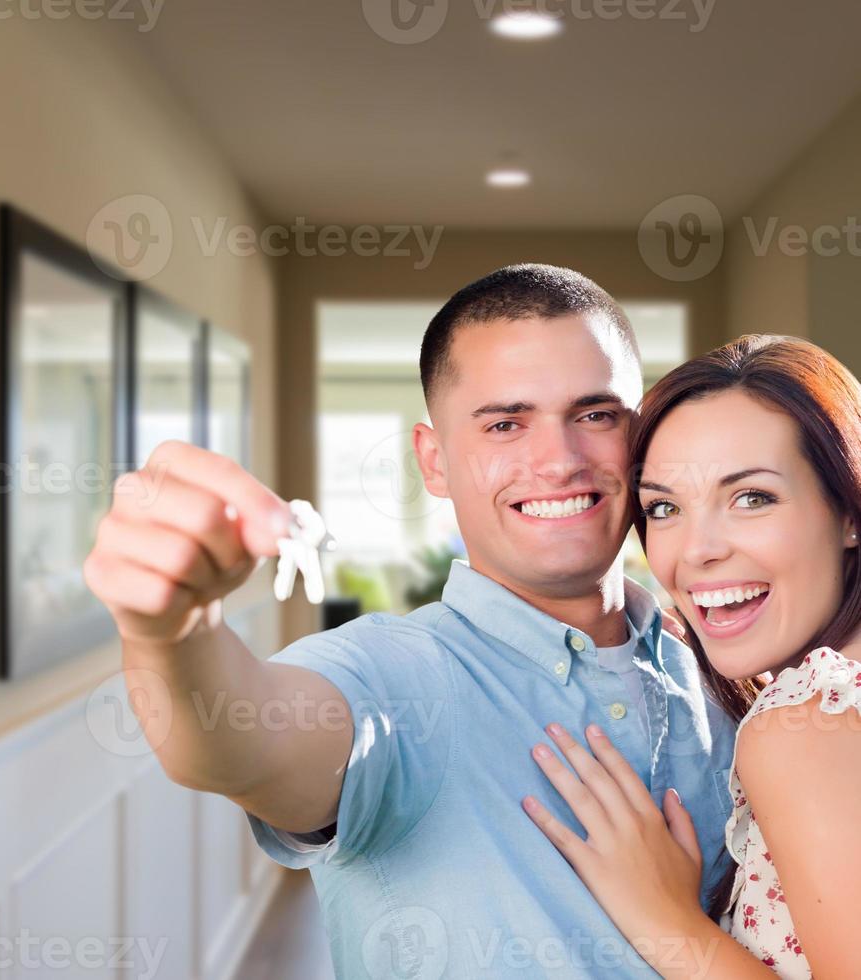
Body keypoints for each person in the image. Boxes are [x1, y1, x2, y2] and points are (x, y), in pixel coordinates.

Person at [84, 264, 738, 978]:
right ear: (434, 461)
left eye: (594, 415)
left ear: (638, 435)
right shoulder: (390, 675)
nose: (558, 460)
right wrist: (171, 634)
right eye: (504, 424)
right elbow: (243, 741)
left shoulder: (722, 668)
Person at [521, 334, 861, 979]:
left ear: (849, 510)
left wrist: (663, 917)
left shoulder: (808, 723)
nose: (696, 550)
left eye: (752, 497)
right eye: (665, 507)